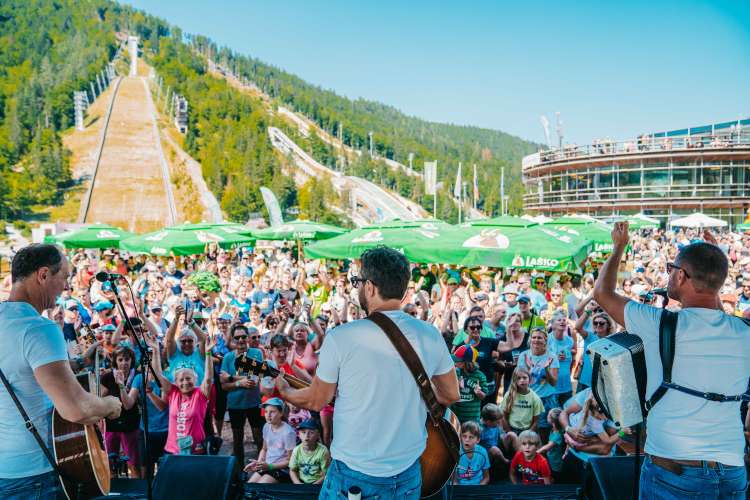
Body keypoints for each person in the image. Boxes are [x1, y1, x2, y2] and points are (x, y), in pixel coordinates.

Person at [273, 247, 459, 499]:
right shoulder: (430, 334)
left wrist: (284, 392)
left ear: (370, 287)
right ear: (403, 290)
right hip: (408, 472)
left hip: (354, 473)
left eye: (358, 282)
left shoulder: (341, 337)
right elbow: (450, 394)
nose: (358, 288)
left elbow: (316, 400)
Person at [594, 222, 750, 498]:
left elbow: (603, 294)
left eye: (671, 269)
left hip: (674, 472)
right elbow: (718, 316)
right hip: (732, 472)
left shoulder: (659, 323)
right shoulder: (743, 333)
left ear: (681, 276)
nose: (668, 275)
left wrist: (618, 247)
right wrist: (712, 262)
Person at [0, 244, 121, 499]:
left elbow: (17, 370)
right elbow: (76, 409)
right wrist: (109, 405)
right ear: (43, 275)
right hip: (34, 474)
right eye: (63, 277)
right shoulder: (39, 329)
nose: (66, 287)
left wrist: (73, 366)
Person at [149, 332, 213, 455]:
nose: (185, 382)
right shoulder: (173, 392)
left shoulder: (200, 394)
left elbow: (209, 379)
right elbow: (157, 374)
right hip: (173, 450)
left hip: (196, 450)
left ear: (195, 380)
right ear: (176, 382)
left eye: (188, 378)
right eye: (181, 379)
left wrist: (208, 353)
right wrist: (155, 350)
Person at [220, 324, 265, 471]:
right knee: (237, 440)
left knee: (258, 438)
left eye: (243, 337)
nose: (240, 340)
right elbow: (223, 386)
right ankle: (239, 473)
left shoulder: (256, 353)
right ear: (232, 340)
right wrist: (240, 382)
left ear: (247, 338)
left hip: (254, 402)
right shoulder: (228, 357)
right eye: (237, 337)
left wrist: (232, 378)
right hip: (235, 404)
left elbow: (252, 381)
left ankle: (260, 469)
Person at [100, 345, 141, 478]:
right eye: (120, 359)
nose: (124, 363)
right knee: (110, 464)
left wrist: (121, 385)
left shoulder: (138, 376)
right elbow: (98, 398)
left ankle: (137, 495)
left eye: (127, 359)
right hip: (111, 425)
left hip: (130, 425)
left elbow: (128, 405)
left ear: (132, 361)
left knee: (133, 464)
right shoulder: (107, 377)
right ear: (115, 361)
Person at [245, 397, 297, 484]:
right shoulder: (266, 426)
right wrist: (258, 463)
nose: (268, 415)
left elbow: (291, 460)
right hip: (267, 465)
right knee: (249, 486)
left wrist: (269, 466)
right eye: (266, 412)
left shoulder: (288, 433)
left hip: (281, 469)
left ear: (281, 413)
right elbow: (264, 449)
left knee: (259, 488)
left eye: (272, 412)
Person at [500, 368, 544, 454]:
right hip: (511, 430)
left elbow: (536, 421)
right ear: (514, 380)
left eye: (524, 377)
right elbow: (503, 416)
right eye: (518, 378)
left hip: (527, 431)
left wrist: (527, 435)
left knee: (526, 454)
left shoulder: (535, 398)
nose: (522, 380)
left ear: (530, 379)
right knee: (510, 454)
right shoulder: (509, 395)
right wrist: (509, 431)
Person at [451, 344, 488, 423]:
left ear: (466, 362)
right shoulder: (455, 372)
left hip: (472, 420)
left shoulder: (480, 376)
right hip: (455, 417)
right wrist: (457, 386)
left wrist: (479, 393)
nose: (454, 362)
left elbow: (483, 396)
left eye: (457, 360)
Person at [289, 419, 331, 485]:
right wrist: (298, 483)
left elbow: (326, 474)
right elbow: (292, 470)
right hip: (301, 482)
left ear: (318, 435)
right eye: (303, 432)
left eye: (311, 432)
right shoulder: (296, 450)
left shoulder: (323, 451)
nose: (306, 436)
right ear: (299, 434)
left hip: (318, 483)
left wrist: (314, 485)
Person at [453, 421, 490, 485]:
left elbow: (486, 477)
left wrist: (479, 487)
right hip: (459, 487)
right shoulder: (455, 452)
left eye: (471, 437)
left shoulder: (483, 452)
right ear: (460, 437)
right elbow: (454, 480)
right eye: (464, 436)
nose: (467, 440)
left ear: (478, 440)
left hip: (478, 486)